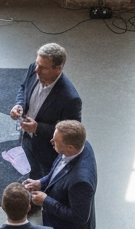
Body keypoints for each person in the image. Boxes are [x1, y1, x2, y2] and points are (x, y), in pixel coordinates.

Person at [10, 43, 83, 178]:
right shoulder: (34, 67)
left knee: (43, 180)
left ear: (58, 69)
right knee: (31, 171)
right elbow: (23, 87)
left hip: (46, 152)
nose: (37, 69)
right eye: (37, 63)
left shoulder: (70, 99)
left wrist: (38, 128)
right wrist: (19, 105)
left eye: (43, 68)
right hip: (26, 139)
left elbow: (71, 134)